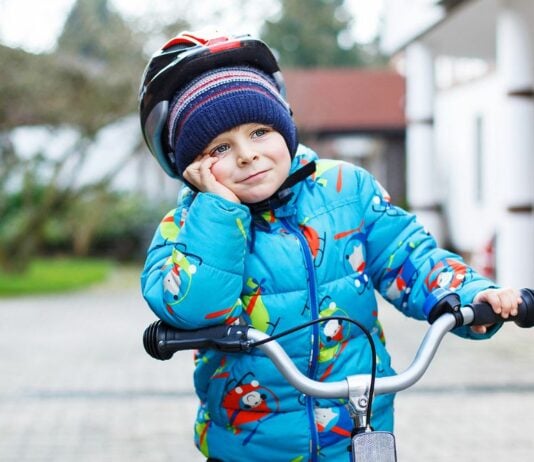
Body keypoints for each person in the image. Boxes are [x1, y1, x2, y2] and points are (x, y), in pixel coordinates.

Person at [139, 30, 521, 461]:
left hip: (356, 427)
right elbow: (193, 309)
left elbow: (410, 257)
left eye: (261, 131)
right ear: (192, 168)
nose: (247, 154)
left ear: (285, 126)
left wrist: (471, 295)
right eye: (221, 147)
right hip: (253, 443)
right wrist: (219, 212)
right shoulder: (187, 227)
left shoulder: (346, 189)